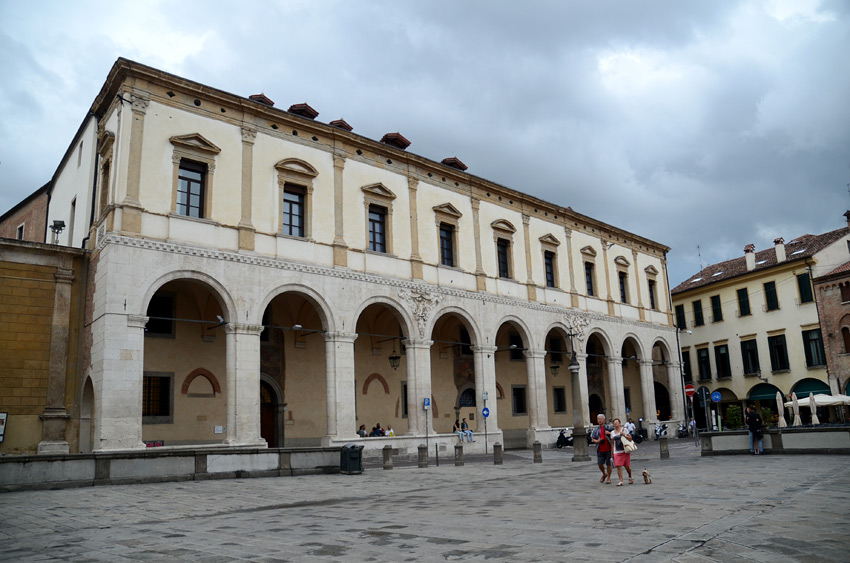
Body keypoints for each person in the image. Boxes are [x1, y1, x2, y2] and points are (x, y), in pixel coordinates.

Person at [610, 417, 634, 486]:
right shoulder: (612, 433)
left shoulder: (624, 430)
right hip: (616, 451)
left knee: (627, 466)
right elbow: (612, 443)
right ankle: (621, 480)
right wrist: (612, 453)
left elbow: (630, 439)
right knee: (618, 466)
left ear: (620, 423)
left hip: (625, 450)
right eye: (614, 423)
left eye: (617, 422)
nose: (615, 424)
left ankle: (630, 477)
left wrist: (624, 435)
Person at [590, 414, 612, 484]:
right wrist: (597, 441)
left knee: (608, 464)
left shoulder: (609, 428)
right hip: (600, 449)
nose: (599, 420)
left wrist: (609, 433)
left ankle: (609, 477)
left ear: (604, 420)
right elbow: (593, 439)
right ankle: (604, 473)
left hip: (609, 449)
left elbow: (615, 434)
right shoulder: (596, 429)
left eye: (601, 419)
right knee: (600, 463)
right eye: (598, 419)